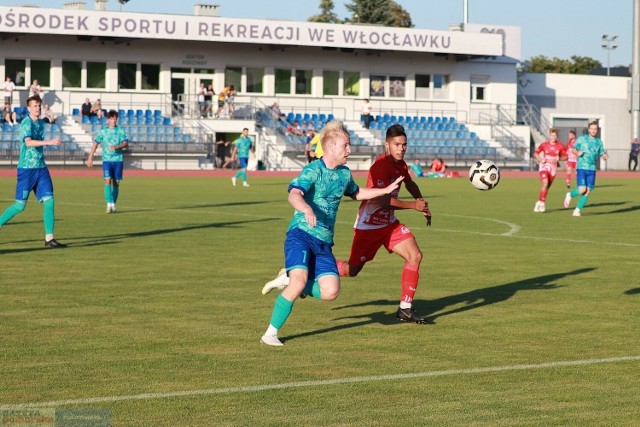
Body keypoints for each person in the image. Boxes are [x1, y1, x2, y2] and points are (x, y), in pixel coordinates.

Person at [263, 124, 432, 325]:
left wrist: (420, 200)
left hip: (389, 224)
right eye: (397, 144)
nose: (402, 148)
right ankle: (295, 276)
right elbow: (382, 202)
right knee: (352, 270)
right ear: (387, 145)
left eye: (404, 144)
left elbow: (409, 183)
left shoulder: (399, 165)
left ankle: (405, 308)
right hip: (369, 226)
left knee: (415, 255)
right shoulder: (380, 166)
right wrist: (413, 204)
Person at [0, 95, 66, 248]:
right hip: (26, 169)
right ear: (29, 108)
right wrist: (49, 142)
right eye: (35, 105)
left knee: (50, 201)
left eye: (39, 105)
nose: (38, 107)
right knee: (19, 206)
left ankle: (49, 239)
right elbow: (28, 143)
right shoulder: (26, 123)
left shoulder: (41, 123)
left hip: (41, 168)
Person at [86, 110, 130, 213]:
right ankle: (109, 204)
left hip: (118, 160)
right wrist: (90, 156)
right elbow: (96, 144)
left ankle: (113, 205)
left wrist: (117, 146)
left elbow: (126, 143)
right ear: (108, 120)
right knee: (107, 180)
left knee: (116, 183)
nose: (114, 120)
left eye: (115, 118)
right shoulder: (103, 131)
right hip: (107, 160)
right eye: (112, 118)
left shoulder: (120, 130)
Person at [563, 121, 608, 217]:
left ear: (597, 130)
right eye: (592, 129)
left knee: (588, 191)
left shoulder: (599, 142)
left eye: (595, 129)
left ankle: (577, 210)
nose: (593, 131)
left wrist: (605, 156)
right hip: (582, 167)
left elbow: (602, 153)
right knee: (582, 189)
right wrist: (578, 153)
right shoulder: (582, 139)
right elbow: (573, 149)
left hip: (592, 169)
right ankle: (569, 195)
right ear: (588, 129)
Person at [533, 128, 567, 213]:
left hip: (553, 169)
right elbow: (535, 153)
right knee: (545, 182)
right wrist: (540, 159)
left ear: (557, 136)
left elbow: (566, 157)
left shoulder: (560, 146)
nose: (553, 137)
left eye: (555, 135)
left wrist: (560, 158)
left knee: (546, 187)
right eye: (552, 135)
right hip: (544, 166)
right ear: (549, 135)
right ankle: (542, 204)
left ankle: (539, 202)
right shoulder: (544, 145)